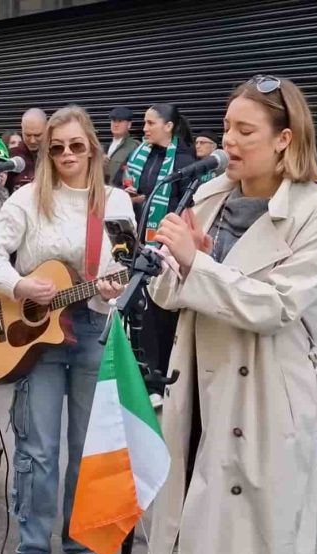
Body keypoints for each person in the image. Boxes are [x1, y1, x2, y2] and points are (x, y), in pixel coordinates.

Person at [125, 75, 317, 554]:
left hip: (263, 399)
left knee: (250, 553)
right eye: (226, 126)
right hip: (197, 389)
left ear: (284, 138)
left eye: (245, 130)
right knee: (190, 533)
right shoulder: (208, 194)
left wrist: (197, 264)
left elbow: (276, 307)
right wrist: (180, 268)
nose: (228, 140)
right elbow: (162, 294)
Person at [0, 105, 133, 554]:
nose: (66, 154)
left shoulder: (116, 203)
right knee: (39, 449)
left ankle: (81, 542)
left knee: (86, 446)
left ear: (92, 148)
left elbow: (128, 272)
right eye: (57, 146)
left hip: (93, 329)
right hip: (36, 338)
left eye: (76, 146)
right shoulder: (26, 200)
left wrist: (114, 290)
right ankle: (33, 548)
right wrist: (21, 287)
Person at [122, 103, 196, 394]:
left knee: (160, 311)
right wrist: (137, 198)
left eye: (151, 123)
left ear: (168, 126)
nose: (145, 128)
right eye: (144, 122)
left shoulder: (184, 161)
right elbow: (144, 190)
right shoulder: (143, 154)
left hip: (168, 249)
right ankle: (143, 370)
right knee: (141, 309)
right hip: (141, 242)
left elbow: (189, 208)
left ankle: (161, 374)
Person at [6, 108, 47, 193]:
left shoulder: (56, 154)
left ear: (46, 129)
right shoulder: (12, 156)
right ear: (22, 129)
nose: (32, 140)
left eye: (37, 135)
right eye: (27, 135)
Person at [103, 106, 138, 184]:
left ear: (129, 124)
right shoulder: (106, 147)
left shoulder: (133, 146)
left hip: (120, 192)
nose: (116, 124)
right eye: (113, 121)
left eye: (120, 121)